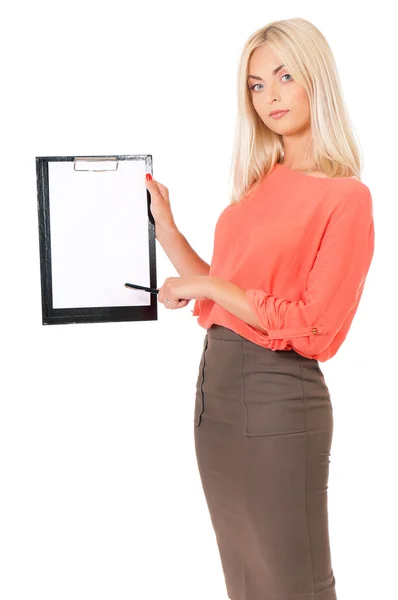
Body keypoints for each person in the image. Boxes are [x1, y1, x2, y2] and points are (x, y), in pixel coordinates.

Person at [144, 17, 375, 600]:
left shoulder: (344, 197)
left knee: (294, 586)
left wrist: (208, 289)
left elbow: (314, 324)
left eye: (283, 76)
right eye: (255, 85)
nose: (269, 95)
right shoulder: (258, 186)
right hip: (216, 399)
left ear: (315, 79)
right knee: (247, 585)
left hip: (277, 400)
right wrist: (166, 229)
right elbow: (223, 288)